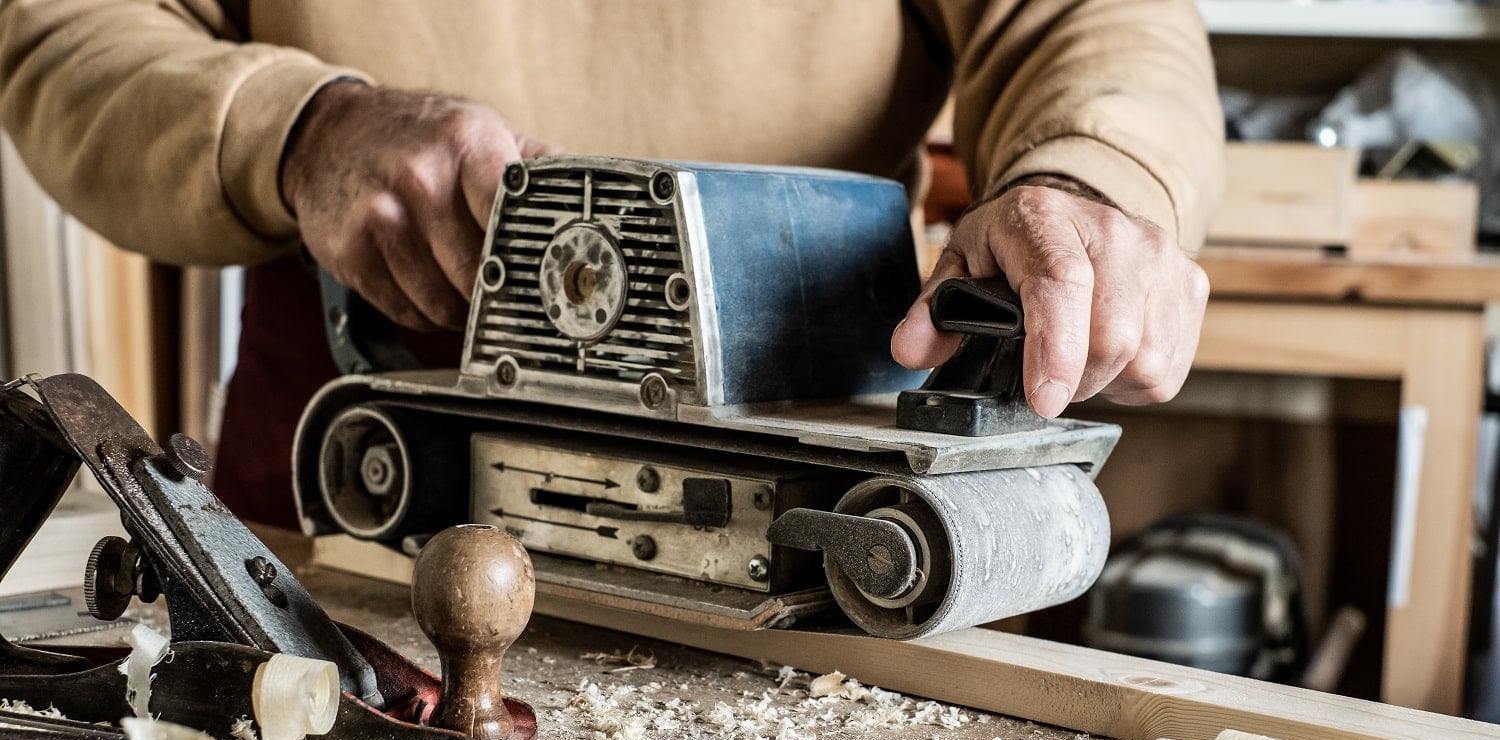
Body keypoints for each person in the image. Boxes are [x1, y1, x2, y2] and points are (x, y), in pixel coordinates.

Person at [0, 1, 1222, 528]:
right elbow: (63, 27)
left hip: (818, 422)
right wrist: (296, 124)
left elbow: (1091, 24)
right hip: (376, 382)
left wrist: (1093, 175)